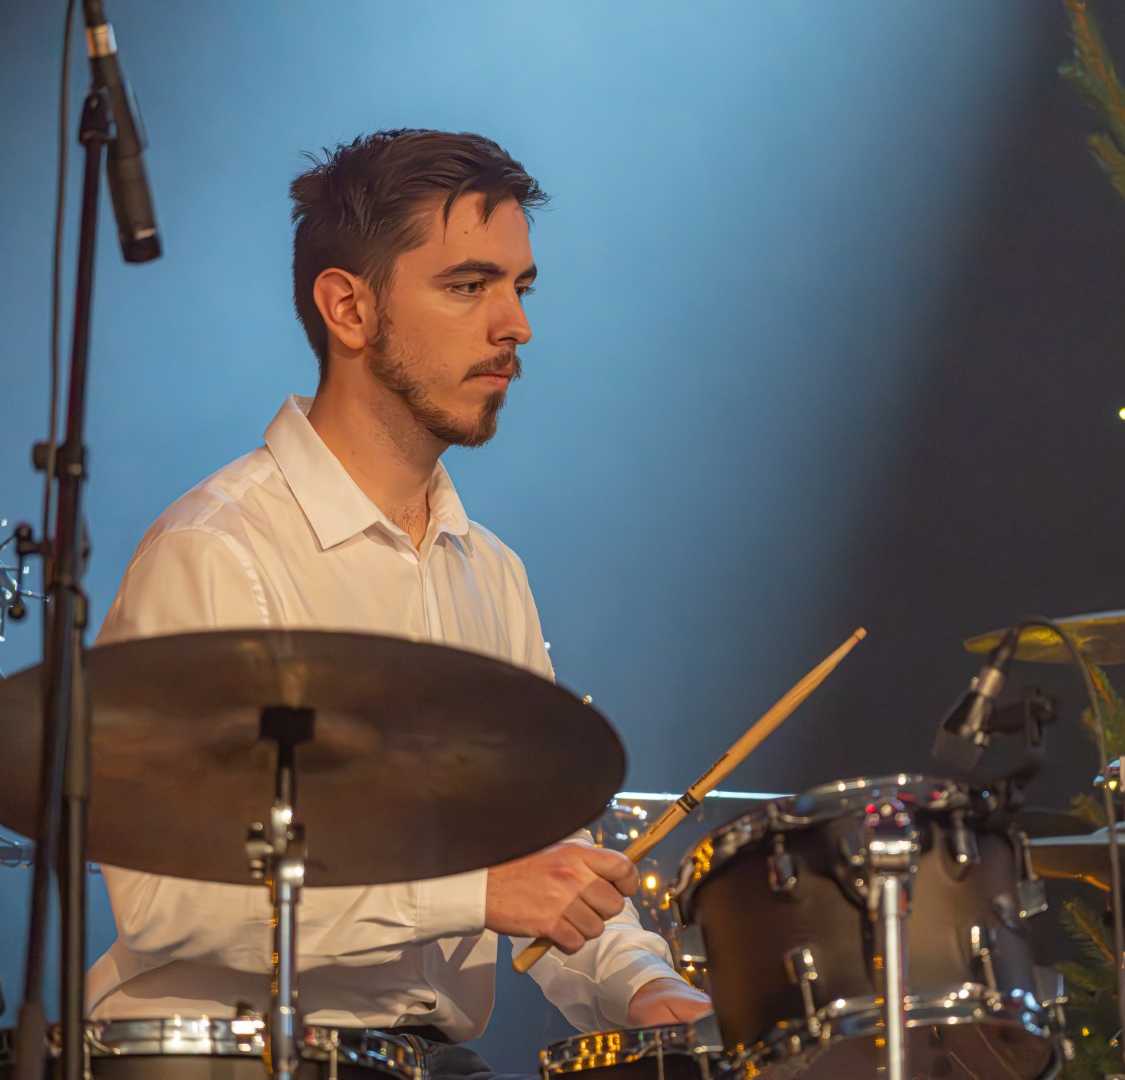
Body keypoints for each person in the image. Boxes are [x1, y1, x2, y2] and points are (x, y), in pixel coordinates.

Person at [84, 128, 712, 1077]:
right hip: (226, 1058)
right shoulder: (216, 549)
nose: (515, 325)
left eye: (520, 287)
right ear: (348, 307)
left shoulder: (490, 573)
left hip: (420, 1060)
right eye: (468, 286)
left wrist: (644, 985)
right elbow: (170, 897)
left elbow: (545, 864)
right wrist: (473, 892)